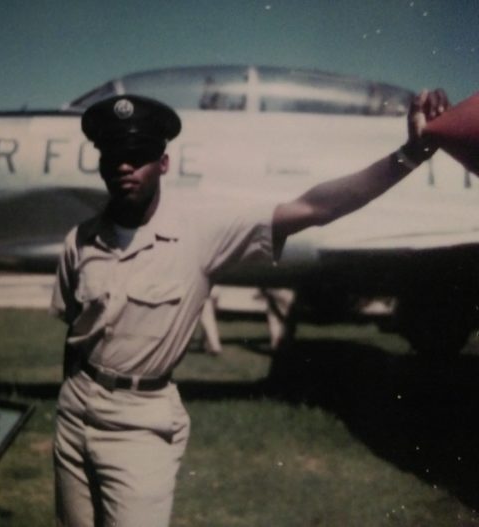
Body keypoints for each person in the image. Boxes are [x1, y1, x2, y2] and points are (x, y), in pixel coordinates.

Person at [51, 90, 449, 527]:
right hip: (73, 414)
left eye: (139, 154)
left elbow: (316, 207)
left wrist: (411, 154)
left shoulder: (201, 233)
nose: (125, 165)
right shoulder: (79, 241)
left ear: (163, 163)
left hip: (139, 425)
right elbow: (76, 333)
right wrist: (72, 399)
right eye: (113, 155)